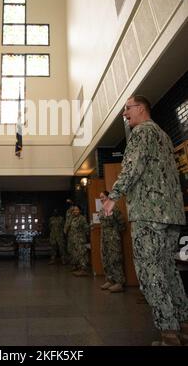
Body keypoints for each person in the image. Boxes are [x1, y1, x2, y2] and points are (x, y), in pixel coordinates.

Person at [103, 95, 188, 346]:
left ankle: (169, 334)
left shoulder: (141, 133)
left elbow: (132, 167)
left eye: (127, 109)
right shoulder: (163, 135)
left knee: (151, 273)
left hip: (149, 215)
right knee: (169, 271)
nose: (125, 114)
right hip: (171, 215)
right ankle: (183, 325)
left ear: (140, 109)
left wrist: (113, 196)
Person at [98, 191, 125, 293]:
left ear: (108, 197)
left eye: (103, 197)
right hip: (104, 237)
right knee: (106, 258)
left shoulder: (114, 207)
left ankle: (119, 282)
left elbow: (121, 223)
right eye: (100, 198)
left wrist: (114, 233)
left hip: (113, 237)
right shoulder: (102, 210)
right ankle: (110, 280)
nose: (101, 199)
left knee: (115, 259)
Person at [68, 205, 90, 277]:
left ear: (80, 210)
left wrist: (86, 237)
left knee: (82, 254)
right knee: (76, 254)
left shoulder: (82, 218)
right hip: (74, 240)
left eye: (77, 210)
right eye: (74, 210)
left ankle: (84, 270)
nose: (75, 211)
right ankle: (79, 268)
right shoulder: (73, 218)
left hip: (80, 239)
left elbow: (86, 228)